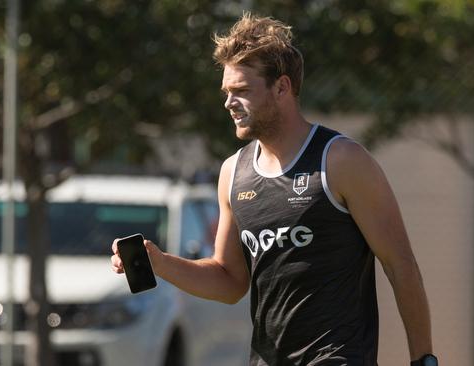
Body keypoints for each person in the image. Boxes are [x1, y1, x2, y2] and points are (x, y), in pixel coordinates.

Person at [112, 12, 436, 366]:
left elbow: (400, 265)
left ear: (282, 87)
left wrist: (424, 360)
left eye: (242, 91)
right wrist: (160, 263)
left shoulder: (341, 161)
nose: (228, 103)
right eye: (226, 92)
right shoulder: (233, 173)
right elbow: (229, 280)